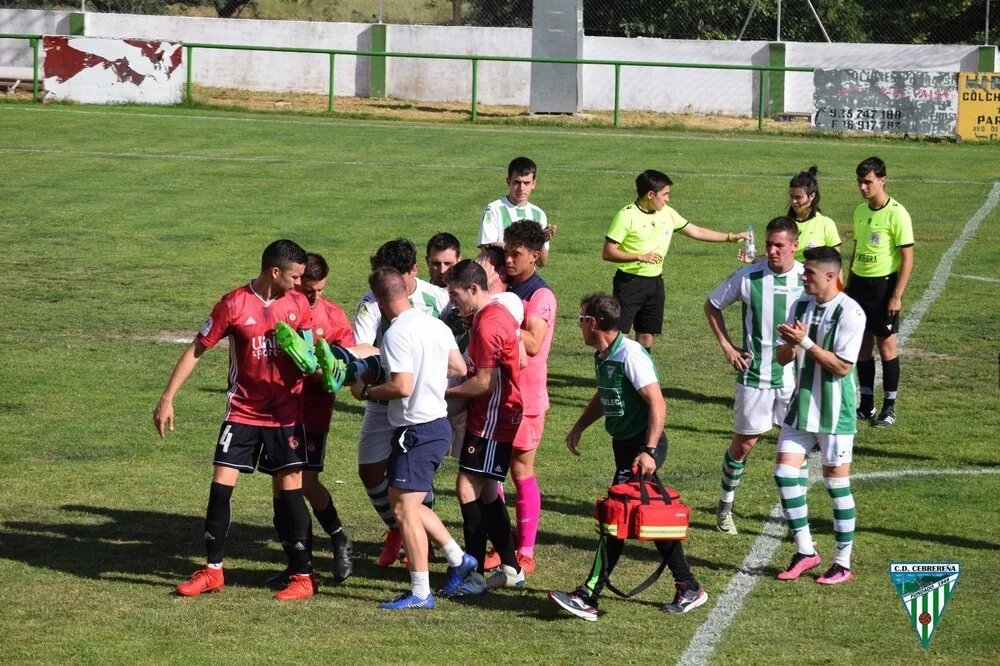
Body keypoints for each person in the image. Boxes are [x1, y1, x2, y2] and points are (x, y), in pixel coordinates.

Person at [153, 239, 317, 601]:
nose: (299, 283)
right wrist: (167, 397)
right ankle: (213, 570)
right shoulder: (234, 303)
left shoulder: (298, 304)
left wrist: (310, 359)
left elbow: (309, 354)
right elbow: (197, 349)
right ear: (275, 271)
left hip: (285, 415)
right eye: (295, 276)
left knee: (291, 489)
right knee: (220, 485)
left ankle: (303, 576)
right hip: (243, 411)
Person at [549, 293, 707, 620]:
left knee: (616, 517)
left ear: (594, 323)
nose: (579, 326)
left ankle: (589, 595)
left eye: (581, 319)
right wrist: (580, 425)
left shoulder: (630, 355)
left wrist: (648, 451)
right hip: (624, 446)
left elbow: (657, 403)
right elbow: (605, 393)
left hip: (642, 447)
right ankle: (688, 585)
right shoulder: (603, 354)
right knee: (645, 515)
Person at [349, 267, 477, 609]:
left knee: (404, 510)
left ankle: (421, 592)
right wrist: (427, 371)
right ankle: (459, 559)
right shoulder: (435, 325)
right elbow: (459, 368)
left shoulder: (395, 334)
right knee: (408, 505)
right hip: (436, 426)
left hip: (416, 431)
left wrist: (366, 392)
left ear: (380, 300)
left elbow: (402, 387)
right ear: (405, 291)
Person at [266, 252, 371, 586]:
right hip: (279, 411)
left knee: (306, 484)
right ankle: (297, 564)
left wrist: (327, 371)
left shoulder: (334, 316)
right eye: (308, 289)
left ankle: (339, 538)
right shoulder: (279, 308)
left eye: (320, 290)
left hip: (312, 412)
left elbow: (349, 364)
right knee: (281, 489)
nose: (314, 296)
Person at [353, 238, 451, 567]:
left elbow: (453, 344)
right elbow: (362, 347)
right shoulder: (372, 300)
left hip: (420, 400)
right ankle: (399, 528)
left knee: (416, 474)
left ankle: (421, 544)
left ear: (413, 271)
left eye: (397, 275)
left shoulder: (437, 298)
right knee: (369, 470)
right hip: (386, 395)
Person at [705, 217, 805, 535]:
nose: (772, 251)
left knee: (796, 450)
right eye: (769, 244)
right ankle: (725, 507)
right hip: (755, 376)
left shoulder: (808, 278)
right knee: (744, 445)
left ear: (795, 246)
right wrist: (727, 347)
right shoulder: (748, 277)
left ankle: (796, 520)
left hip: (795, 380)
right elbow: (712, 305)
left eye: (779, 245)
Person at [774, 246, 865, 585]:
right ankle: (806, 551)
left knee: (836, 484)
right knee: (784, 474)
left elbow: (841, 367)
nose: (803, 277)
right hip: (802, 405)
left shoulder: (851, 313)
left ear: (830, 275)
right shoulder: (800, 305)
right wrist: (789, 344)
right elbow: (783, 358)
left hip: (835, 411)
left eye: (809, 272)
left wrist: (805, 343)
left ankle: (842, 562)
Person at [444, 260, 524, 593]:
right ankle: (512, 568)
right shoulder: (496, 314)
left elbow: (484, 384)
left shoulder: (489, 324)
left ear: (474, 288)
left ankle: (473, 573)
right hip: (497, 413)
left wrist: (443, 393)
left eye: (455, 294)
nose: (453, 302)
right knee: (488, 490)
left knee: (466, 486)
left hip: (493, 416)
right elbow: (519, 361)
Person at [603, 169, 746, 351]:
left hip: (655, 283)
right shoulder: (626, 216)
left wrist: (730, 237)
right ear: (650, 194)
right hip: (629, 283)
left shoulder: (667, 213)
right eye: (665, 194)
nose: (667, 199)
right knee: (618, 335)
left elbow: (696, 231)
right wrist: (639, 256)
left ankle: (642, 369)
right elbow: (608, 252)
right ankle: (611, 368)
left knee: (646, 336)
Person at [481, 220, 554, 575]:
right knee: (491, 472)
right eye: (507, 252)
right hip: (498, 394)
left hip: (526, 398)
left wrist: (492, 317)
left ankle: (525, 551)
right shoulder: (506, 286)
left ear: (535, 256)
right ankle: (502, 544)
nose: (508, 260)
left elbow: (534, 342)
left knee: (521, 470)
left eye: (516, 254)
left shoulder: (541, 295)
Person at [845, 156, 914, 428]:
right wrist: (849, 284)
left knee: (886, 347)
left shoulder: (897, 213)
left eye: (868, 182)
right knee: (862, 347)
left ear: (883, 180)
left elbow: (907, 257)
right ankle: (866, 406)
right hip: (859, 286)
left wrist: (897, 294)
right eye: (860, 182)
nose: (863, 187)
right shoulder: (860, 211)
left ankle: (889, 408)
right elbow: (857, 249)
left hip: (883, 287)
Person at [477, 156, 556, 266]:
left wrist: (541, 241)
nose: (521, 188)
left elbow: (541, 262)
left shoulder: (539, 214)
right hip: (500, 274)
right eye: (517, 182)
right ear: (508, 181)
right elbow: (487, 251)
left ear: (534, 184)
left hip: (527, 276)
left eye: (526, 183)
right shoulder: (493, 209)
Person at [787, 166, 841, 261]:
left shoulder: (825, 224)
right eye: (791, 196)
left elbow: (835, 262)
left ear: (812, 196)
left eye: (798, 197)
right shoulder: (785, 224)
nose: (794, 201)